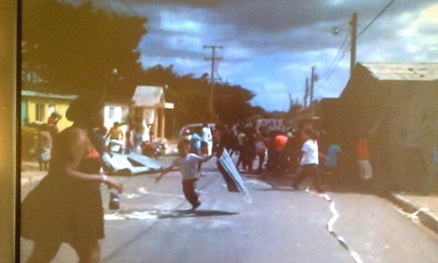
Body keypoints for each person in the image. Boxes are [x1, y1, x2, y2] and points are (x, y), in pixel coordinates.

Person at [22, 96, 123, 263]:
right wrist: (105, 179)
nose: (102, 117)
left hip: (76, 200)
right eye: (99, 113)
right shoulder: (77, 136)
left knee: (49, 251)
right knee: (84, 252)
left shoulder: (84, 134)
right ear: (90, 115)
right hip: (71, 202)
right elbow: (66, 172)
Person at [155, 141, 214, 210]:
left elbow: (203, 159)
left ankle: (196, 200)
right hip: (185, 178)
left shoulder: (192, 156)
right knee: (186, 193)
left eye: (183, 150)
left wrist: (211, 155)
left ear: (187, 149)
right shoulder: (178, 160)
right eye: (180, 150)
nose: (182, 152)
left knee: (191, 191)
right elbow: (170, 168)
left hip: (193, 177)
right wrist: (160, 176)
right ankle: (195, 204)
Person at [291, 128, 324, 193]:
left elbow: (304, 152)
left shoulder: (310, 143)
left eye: (303, 134)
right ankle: (319, 189)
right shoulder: (310, 143)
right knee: (315, 176)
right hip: (310, 162)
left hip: (311, 161)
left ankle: (295, 184)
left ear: (308, 135)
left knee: (304, 174)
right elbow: (303, 152)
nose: (302, 136)